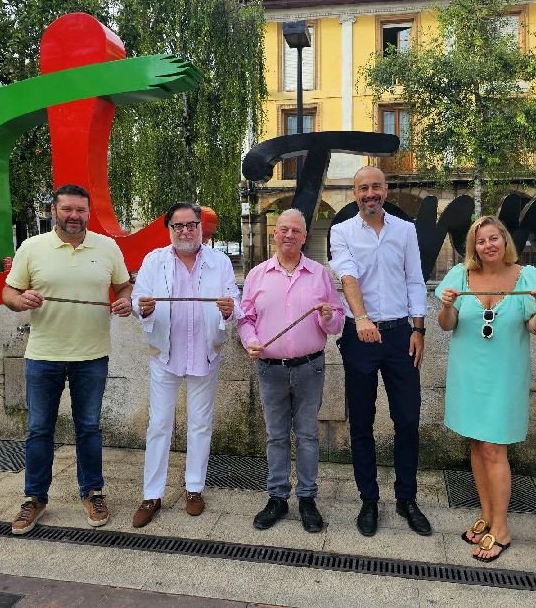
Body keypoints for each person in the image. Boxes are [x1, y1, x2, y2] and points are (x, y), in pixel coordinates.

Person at [3, 184, 133, 535]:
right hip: (43, 356)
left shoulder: (107, 247)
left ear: (88, 213)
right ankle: (34, 498)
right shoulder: (32, 247)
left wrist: (125, 300)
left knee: (89, 427)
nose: (74, 216)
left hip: (92, 356)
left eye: (80, 210)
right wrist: (20, 300)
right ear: (53, 211)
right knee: (39, 429)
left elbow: (124, 286)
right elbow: (9, 292)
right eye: (67, 209)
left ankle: (93, 492)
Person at [434, 216, 536, 562]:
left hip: (504, 375)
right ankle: (487, 516)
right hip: (468, 374)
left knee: (493, 448)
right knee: (476, 443)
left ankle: (501, 529)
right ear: (473, 246)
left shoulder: (526, 276)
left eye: (493, 238)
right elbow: (447, 325)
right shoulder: (459, 275)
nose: (488, 245)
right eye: (481, 240)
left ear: (504, 241)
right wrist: (446, 305)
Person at [328, 166, 430, 537]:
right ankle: (368, 499)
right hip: (360, 335)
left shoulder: (405, 230)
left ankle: (406, 498)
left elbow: (414, 280)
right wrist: (361, 318)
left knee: (407, 419)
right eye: (362, 188)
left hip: (401, 334)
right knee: (361, 422)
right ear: (354, 193)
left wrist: (418, 329)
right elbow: (347, 277)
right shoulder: (341, 232)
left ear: (385, 190)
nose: (370, 193)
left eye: (375, 187)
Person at [129, 202, 240, 527]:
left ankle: (194, 488)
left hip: (205, 353)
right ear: (170, 230)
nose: (185, 231)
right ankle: (152, 494)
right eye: (178, 226)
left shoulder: (219, 261)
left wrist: (228, 310)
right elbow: (137, 300)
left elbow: (234, 301)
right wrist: (143, 308)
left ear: (201, 228)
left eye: (191, 225)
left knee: (200, 424)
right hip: (165, 354)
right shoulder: (154, 260)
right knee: (159, 424)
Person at [238, 209, 345, 533]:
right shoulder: (257, 275)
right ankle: (277, 497)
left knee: (308, 435)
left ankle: (307, 498)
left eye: (295, 231)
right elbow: (245, 319)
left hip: (310, 367)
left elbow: (337, 322)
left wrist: (328, 316)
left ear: (304, 237)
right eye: (284, 229)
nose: (289, 235)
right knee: (276, 436)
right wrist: (251, 341)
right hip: (270, 369)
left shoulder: (320, 274)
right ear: (275, 233)